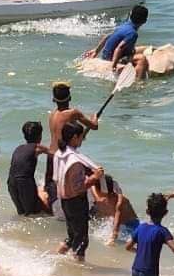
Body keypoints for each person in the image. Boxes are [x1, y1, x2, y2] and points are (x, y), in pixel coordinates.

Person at [45, 81, 99, 210]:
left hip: (51, 155)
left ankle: (54, 209)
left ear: (54, 99)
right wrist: (95, 117)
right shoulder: (73, 113)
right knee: (89, 177)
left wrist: (78, 135)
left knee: (52, 185)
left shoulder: (52, 114)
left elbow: (61, 133)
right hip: (65, 156)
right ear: (70, 97)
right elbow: (94, 126)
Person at [54, 121, 103, 262]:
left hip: (64, 199)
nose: (83, 139)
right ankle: (78, 269)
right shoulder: (74, 160)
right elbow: (79, 187)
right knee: (82, 240)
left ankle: (57, 257)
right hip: (76, 201)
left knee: (71, 237)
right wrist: (95, 177)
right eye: (82, 137)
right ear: (75, 137)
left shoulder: (59, 153)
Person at [89, 5, 150, 79]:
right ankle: (139, 82)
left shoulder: (124, 25)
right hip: (111, 58)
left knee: (135, 50)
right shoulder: (133, 33)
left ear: (130, 15)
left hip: (105, 55)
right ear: (145, 21)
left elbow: (107, 37)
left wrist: (96, 51)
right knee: (142, 59)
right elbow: (119, 48)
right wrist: (114, 65)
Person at [7, 121, 52, 216]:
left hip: (11, 182)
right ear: (40, 136)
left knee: (22, 212)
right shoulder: (38, 147)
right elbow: (55, 155)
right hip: (24, 183)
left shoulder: (18, 148)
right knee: (33, 213)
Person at [92, 174, 140, 245]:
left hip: (132, 227)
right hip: (121, 226)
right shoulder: (104, 198)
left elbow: (117, 220)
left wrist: (113, 238)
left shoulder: (120, 201)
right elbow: (94, 192)